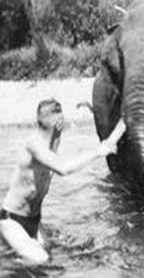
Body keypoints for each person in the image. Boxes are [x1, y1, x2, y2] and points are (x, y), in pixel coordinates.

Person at [0, 99, 126, 264]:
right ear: (57, 122)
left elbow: (108, 145)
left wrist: (124, 121)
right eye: (62, 119)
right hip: (12, 219)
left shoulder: (53, 142)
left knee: (49, 256)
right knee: (40, 259)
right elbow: (63, 168)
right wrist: (98, 152)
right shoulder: (34, 145)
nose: (64, 123)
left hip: (34, 220)